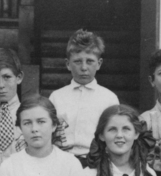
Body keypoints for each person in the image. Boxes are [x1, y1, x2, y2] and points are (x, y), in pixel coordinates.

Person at [49, 29, 118, 166]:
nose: (84, 67)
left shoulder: (109, 98)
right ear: (68, 64)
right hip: (62, 162)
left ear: (99, 63)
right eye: (78, 61)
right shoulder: (56, 97)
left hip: (97, 162)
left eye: (90, 61)